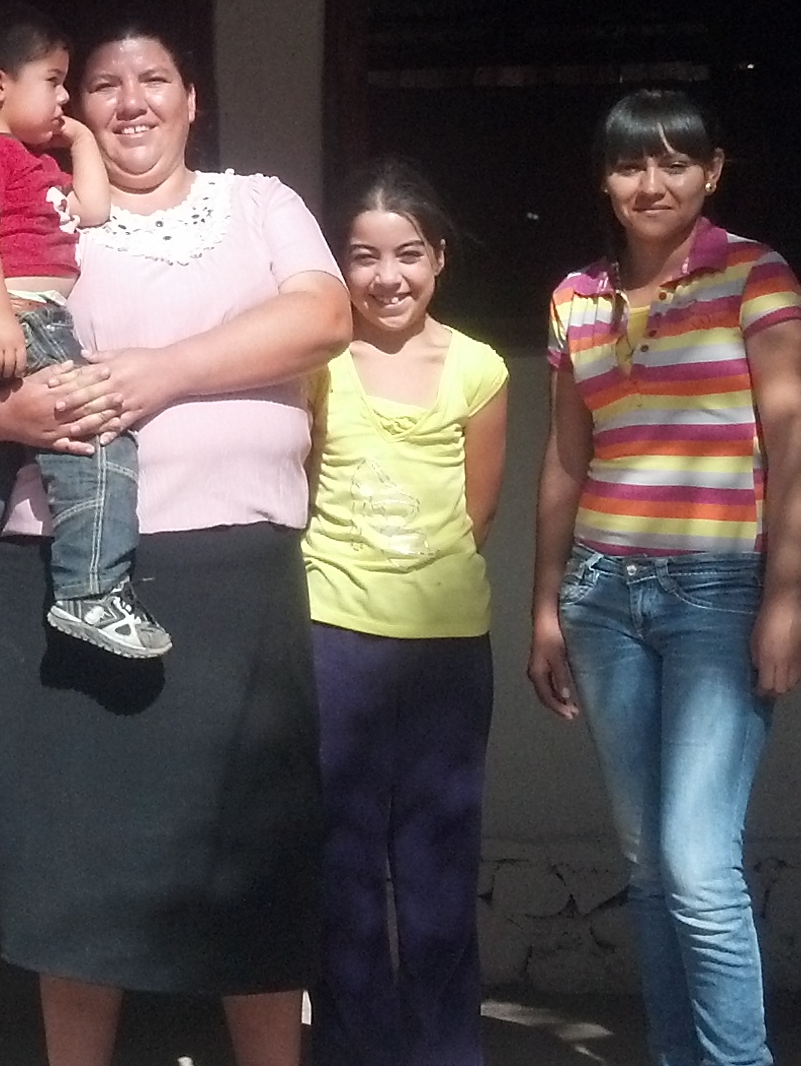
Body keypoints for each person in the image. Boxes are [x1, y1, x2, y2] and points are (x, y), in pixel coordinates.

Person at [0, 23, 350, 1066]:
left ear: (193, 98)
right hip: (56, 579)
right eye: (104, 84)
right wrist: (6, 417)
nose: (131, 101)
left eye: (155, 79)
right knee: (77, 870)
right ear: (73, 109)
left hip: (234, 581)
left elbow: (323, 318)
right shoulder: (39, 206)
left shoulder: (259, 204)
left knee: (254, 866)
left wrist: (164, 371)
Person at [526, 88, 801, 1066]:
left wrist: (785, 595)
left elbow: (792, 443)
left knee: (697, 864)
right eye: (629, 164)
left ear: (712, 171)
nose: (652, 183)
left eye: (675, 161)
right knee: (648, 864)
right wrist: (544, 604)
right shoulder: (576, 295)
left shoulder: (755, 275)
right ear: (604, 180)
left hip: (719, 592)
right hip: (602, 596)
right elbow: (567, 459)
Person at [305, 158, 509, 1066]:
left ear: (440, 260)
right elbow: (301, 481)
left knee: (438, 877)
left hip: (445, 652)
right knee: (343, 875)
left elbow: (479, 512)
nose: (387, 277)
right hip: (332, 640)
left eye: (409, 254)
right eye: (364, 256)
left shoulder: (479, 368)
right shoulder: (317, 363)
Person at [0, 0, 165, 686]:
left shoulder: (29, 161)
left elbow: (94, 210)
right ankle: (91, 591)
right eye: (53, 81)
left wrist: (80, 141)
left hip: (30, 318)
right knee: (99, 437)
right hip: (20, 317)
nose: (65, 97)